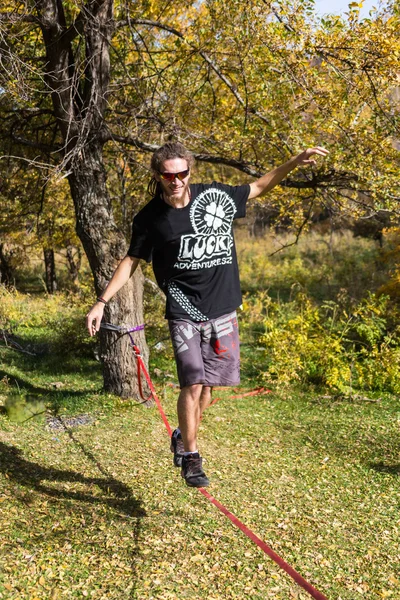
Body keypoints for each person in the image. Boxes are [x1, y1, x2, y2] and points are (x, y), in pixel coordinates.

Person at [86, 141, 328, 488]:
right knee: (192, 382)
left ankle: (182, 438)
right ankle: (191, 456)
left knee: (208, 393)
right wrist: (102, 301)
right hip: (184, 311)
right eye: (168, 175)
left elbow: (259, 186)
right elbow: (131, 261)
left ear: (190, 171)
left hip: (223, 310)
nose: (176, 180)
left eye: (182, 173)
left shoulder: (215, 198)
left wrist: (295, 161)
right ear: (158, 175)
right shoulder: (150, 218)